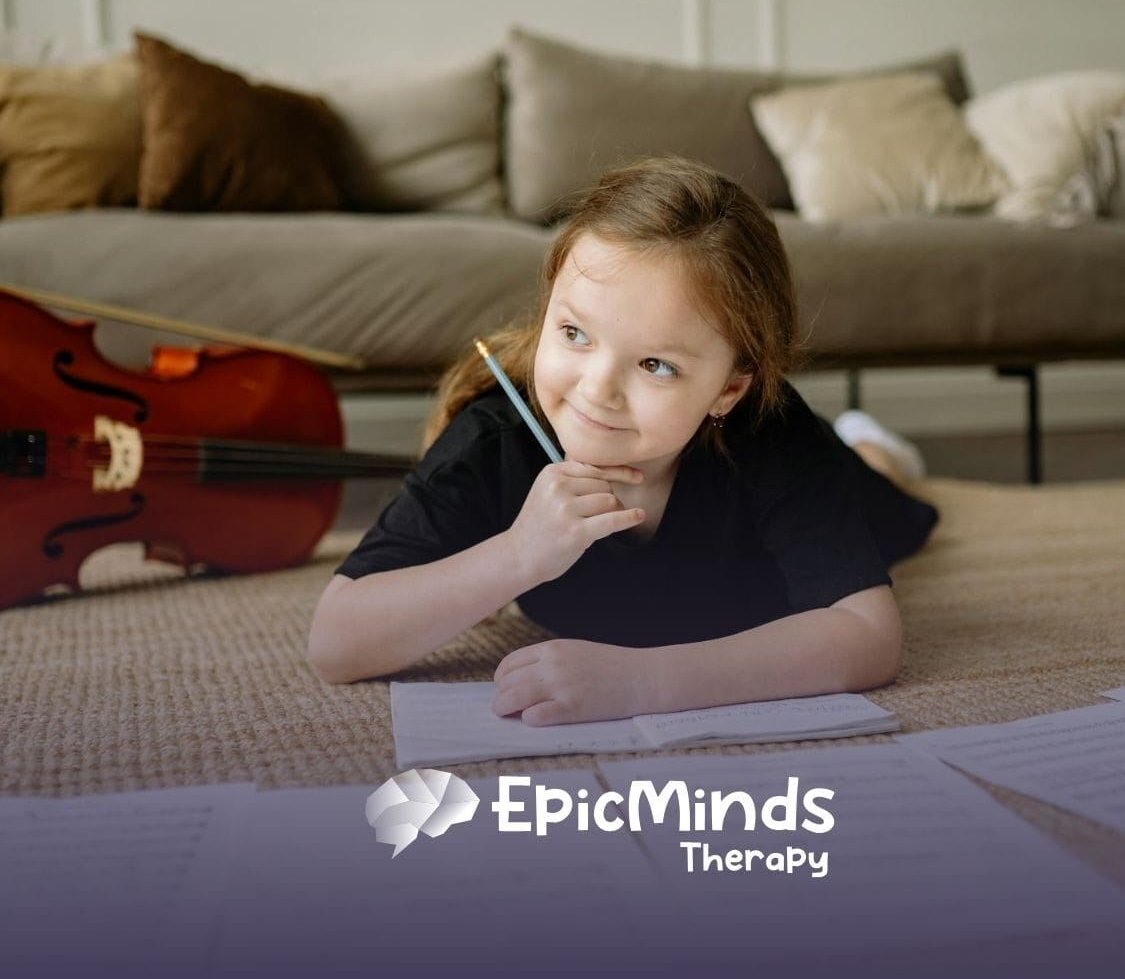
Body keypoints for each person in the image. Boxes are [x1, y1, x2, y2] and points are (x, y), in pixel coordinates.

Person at [308, 156, 938, 726]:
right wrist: (519, 553)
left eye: (655, 365)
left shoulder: (768, 434)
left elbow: (869, 636)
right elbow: (337, 641)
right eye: (575, 333)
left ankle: (873, 449)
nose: (596, 390)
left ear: (728, 390)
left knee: (891, 504)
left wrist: (644, 682)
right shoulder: (494, 437)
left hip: (823, 477)